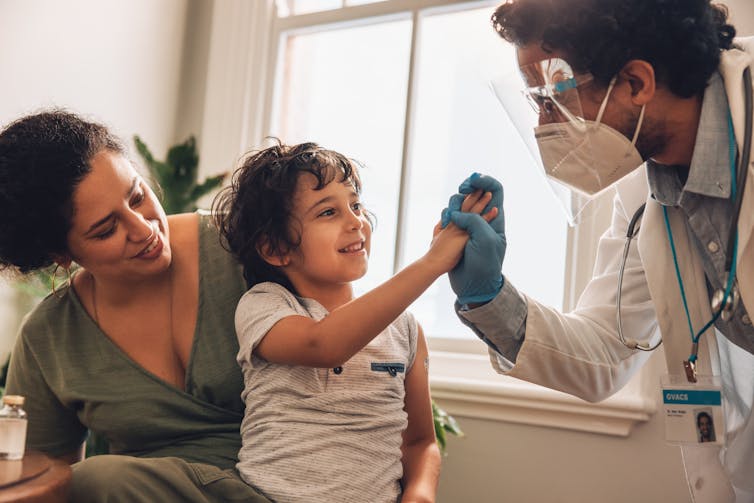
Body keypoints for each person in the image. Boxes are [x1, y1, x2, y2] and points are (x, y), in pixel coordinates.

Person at [440, 1, 754, 502]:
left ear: (636, 82)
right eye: (534, 102)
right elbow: (607, 353)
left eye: (553, 97)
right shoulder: (641, 187)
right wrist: (490, 297)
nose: (544, 125)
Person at [0, 110, 272, 502]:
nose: (144, 229)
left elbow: (376, 361)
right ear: (61, 253)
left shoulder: (245, 246)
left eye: (137, 196)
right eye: (106, 229)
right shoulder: (49, 339)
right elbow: (43, 489)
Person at [211, 140, 494, 503]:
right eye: (328, 212)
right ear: (276, 249)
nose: (356, 221)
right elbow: (323, 344)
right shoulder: (265, 305)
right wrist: (431, 263)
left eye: (356, 205)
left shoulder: (405, 330)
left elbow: (421, 442)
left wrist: (420, 494)